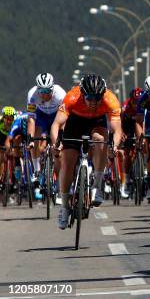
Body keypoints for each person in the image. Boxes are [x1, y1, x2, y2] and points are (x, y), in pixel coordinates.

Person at [50, 74, 122, 230]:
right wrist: (56, 144)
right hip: (75, 122)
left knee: (100, 139)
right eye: (89, 97)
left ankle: (96, 186)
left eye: (98, 97)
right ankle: (64, 207)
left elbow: (117, 130)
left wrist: (114, 146)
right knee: (67, 163)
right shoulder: (72, 97)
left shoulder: (110, 99)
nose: (94, 102)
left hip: (97, 122)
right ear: (82, 94)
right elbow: (56, 124)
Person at [26, 73, 66, 202]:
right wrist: (30, 139)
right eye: (41, 91)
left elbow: (64, 120)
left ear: (52, 88)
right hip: (41, 116)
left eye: (47, 90)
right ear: (37, 89)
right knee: (34, 138)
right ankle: (37, 171)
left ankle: (60, 187)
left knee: (58, 151)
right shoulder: (32, 95)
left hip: (56, 116)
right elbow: (31, 119)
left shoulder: (61, 95)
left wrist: (60, 137)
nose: (44, 94)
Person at [119, 88, 142, 199]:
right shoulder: (126, 106)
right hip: (127, 125)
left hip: (140, 123)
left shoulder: (143, 104)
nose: (135, 104)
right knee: (127, 154)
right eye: (134, 102)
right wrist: (122, 133)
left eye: (137, 102)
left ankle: (144, 167)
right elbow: (119, 121)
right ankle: (127, 178)